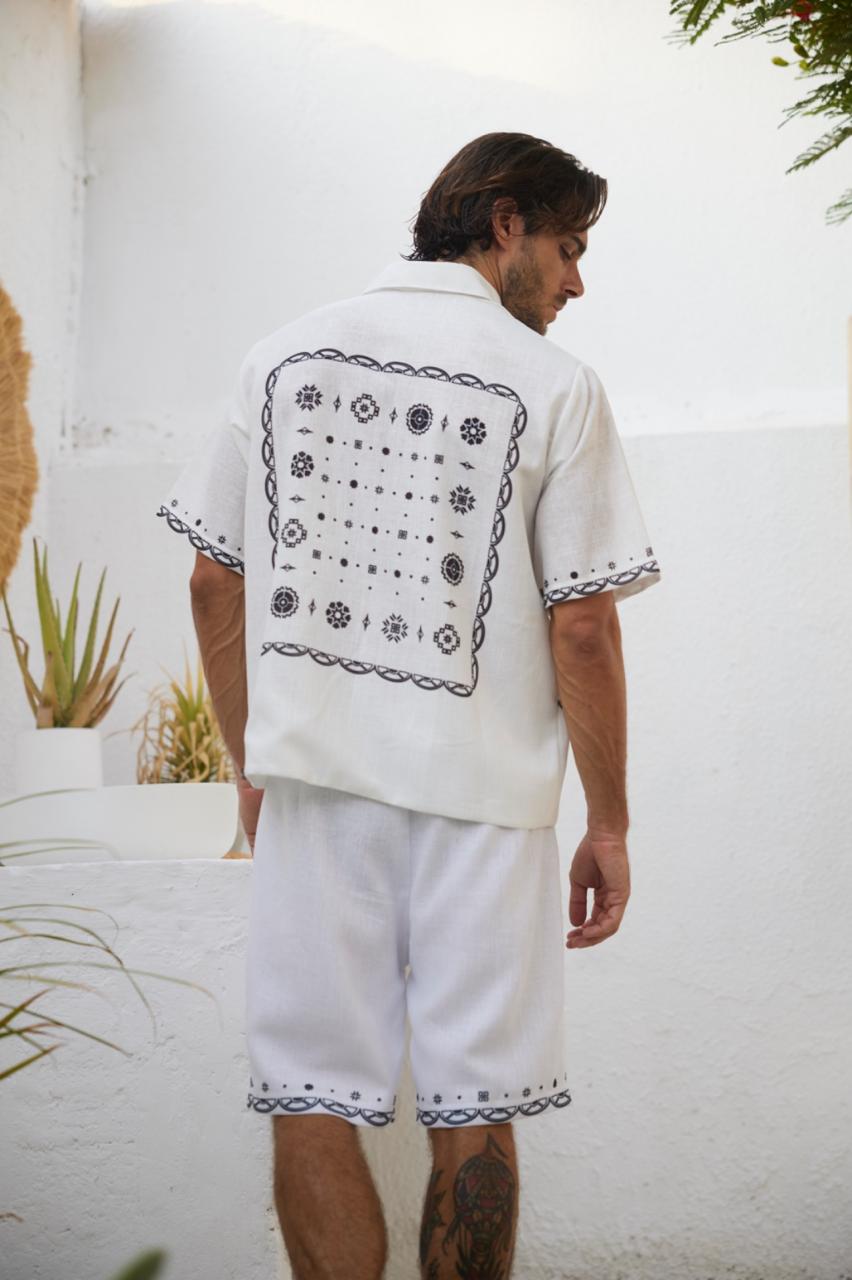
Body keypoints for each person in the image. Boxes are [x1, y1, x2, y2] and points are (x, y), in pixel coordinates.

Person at [156, 131, 662, 1280]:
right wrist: (612, 821)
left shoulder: (281, 358)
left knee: (311, 1096)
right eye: (571, 248)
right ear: (504, 225)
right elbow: (581, 622)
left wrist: (250, 760)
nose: (577, 281)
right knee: (476, 1105)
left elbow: (210, 577)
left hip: (317, 795)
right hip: (481, 806)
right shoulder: (554, 385)